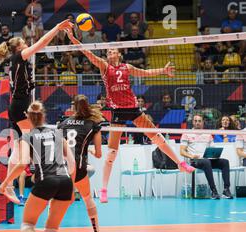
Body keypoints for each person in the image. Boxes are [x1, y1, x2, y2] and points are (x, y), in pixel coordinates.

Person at [65, 29, 195, 203]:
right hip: (118, 111)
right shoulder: (105, 67)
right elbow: (87, 54)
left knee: (158, 138)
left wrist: (163, 71)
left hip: (133, 108)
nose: (110, 52)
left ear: (119, 53)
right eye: (108, 51)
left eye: (113, 50)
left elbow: (146, 73)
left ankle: (180, 164)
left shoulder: (127, 67)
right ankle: (104, 189)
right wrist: (73, 39)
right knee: (111, 153)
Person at [0, 19, 73, 203]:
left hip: (17, 106)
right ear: (18, 48)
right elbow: (42, 43)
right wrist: (56, 27)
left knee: (18, 147)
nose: (26, 44)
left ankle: (8, 185)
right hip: (20, 106)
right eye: (23, 43)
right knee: (29, 144)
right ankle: (15, 181)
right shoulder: (18, 57)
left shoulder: (15, 60)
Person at [0, 101, 75, 232]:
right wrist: (72, 190)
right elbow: (72, 164)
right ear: (44, 115)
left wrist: (5, 182)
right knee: (52, 230)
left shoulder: (26, 137)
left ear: (28, 117)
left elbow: (23, 163)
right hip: (65, 181)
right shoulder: (58, 133)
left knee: (27, 224)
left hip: (46, 180)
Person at [58, 95, 104, 232]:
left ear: (73, 108)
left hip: (62, 167)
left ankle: (52, 231)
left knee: (58, 200)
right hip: (78, 167)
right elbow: (99, 154)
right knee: (87, 198)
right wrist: (89, 151)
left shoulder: (63, 124)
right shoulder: (93, 124)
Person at [180, 114, 233, 199]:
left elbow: (212, 148)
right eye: (195, 121)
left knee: (225, 162)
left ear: (203, 123)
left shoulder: (207, 134)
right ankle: (213, 191)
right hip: (195, 160)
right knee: (206, 162)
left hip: (207, 159)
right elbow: (182, 151)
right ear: (193, 122)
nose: (197, 123)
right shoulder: (187, 134)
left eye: (199, 121)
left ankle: (226, 190)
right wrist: (192, 155)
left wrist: (214, 154)